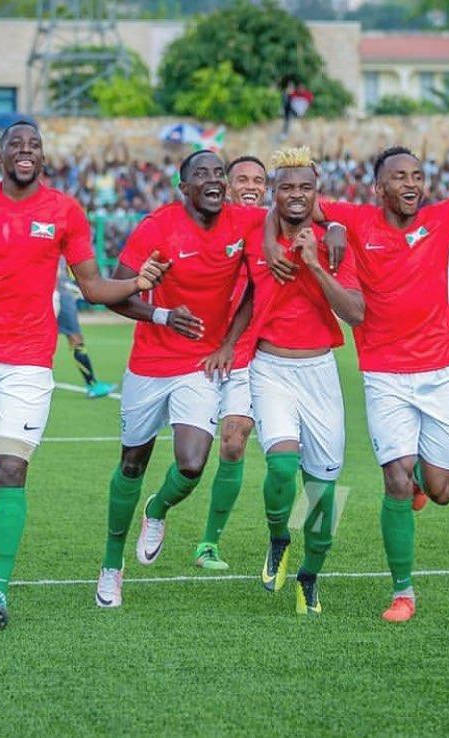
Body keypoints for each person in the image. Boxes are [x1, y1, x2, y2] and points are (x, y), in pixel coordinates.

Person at [266, 62, 449, 622]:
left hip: (440, 373)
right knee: (394, 480)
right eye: (400, 177)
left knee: (439, 491)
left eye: (417, 176)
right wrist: (298, 240)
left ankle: (423, 478)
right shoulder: (355, 219)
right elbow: (288, 201)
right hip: (384, 377)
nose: (412, 184)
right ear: (379, 187)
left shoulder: (445, 219)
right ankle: (403, 592)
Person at [0, 120, 167, 630]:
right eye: (17, 144)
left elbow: (93, 287)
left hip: (31, 358)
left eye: (34, 145)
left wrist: (137, 286)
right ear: (1, 156)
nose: (26, 151)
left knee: (14, 471)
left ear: (43, 156)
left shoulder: (64, 211)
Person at [95, 150, 266, 608]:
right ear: (184, 186)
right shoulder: (157, 226)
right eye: (201, 174)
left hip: (199, 364)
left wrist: (228, 342)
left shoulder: (244, 223)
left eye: (217, 173)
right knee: (132, 462)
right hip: (149, 364)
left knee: (192, 464)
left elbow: (253, 286)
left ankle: (157, 508)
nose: (212, 180)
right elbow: (114, 291)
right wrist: (161, 314)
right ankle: (112, 565)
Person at [211, 147, 363, 614]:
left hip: (319, 372)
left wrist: (316, 263)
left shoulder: (335, 242)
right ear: (273, 193)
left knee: (323, 490)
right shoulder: (258, 237)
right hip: (270, 368)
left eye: (305, 188)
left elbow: (355, 313)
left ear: (318, 194)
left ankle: (308, 577)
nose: (295, 195)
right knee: (280, 467)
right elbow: (246, 297)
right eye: (286, 188)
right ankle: (279, 538)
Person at [192, 155, 268, 570]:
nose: (251, 185)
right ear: (227, 184)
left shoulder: (273, 227)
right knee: (190, 460)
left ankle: (208, 544)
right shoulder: (211, 225)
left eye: (259, 179)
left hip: (255, 358)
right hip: (200, 355)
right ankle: (158, 508)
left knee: (235, 444)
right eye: (242, 179)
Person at [56, 260, 117, 398]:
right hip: (61, 295)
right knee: (75, 339)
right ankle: (92, 384)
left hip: (59, 293)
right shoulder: (59, 243)